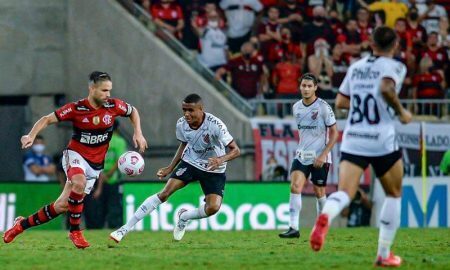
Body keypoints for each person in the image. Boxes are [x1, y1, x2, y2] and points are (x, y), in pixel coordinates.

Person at [2, 71, 148, 249]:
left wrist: (138, 132)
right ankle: (75, 231)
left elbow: (133, 112)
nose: (108, 94)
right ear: (92, 88)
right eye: (103, 90)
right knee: (79, 183)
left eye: (109, 90)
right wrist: (31, 135)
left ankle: (21, 225)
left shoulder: (113, 106)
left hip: (95, 166)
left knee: (62, 206)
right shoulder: (76, 108)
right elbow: (47, 119)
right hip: (75, 155)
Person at [309, 27, 412, 267]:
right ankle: (384, 254)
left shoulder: (356, 67)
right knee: (394, 194)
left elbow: (341, 101)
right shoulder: (395, 66)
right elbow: (386, 88)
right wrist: (401, 111)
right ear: (395, 44)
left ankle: (325, 216)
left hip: (355, 136)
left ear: (371, 43)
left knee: (345, 192)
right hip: (381, 139)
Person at [110, 93, 240, 243]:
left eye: (190, 110)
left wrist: (220, 159)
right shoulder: (181, 124)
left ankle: (184, 217)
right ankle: (123, 229)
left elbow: (236, 150)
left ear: (201, 109)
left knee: (213, 208)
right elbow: (184, 144)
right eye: (184, 110)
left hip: (214, 168)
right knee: (164, 193)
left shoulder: (216, 125)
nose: (186, 114)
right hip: (191, 162)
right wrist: (170, 167)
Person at [278, 73, 338, 239]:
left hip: (320, 157)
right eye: (303, 86)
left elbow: (334, 133)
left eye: (309, 86)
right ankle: (293, 228)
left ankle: (320, 229)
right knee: (295, 187)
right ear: (300, 87)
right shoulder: (296, 107)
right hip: (302, 154)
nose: (305, 89)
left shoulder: (324, 107)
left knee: (319, 193)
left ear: (315, 88)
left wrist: (324, 154)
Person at [84, 120, 128, 229]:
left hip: (99, 176)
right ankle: (114, 228)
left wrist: (102, 174)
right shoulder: (119, 141)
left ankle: (97, 228)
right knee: (113, 206)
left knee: (98, 207)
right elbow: (120, 160)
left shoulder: (99, 141)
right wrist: (109, 174)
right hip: (112, 179)